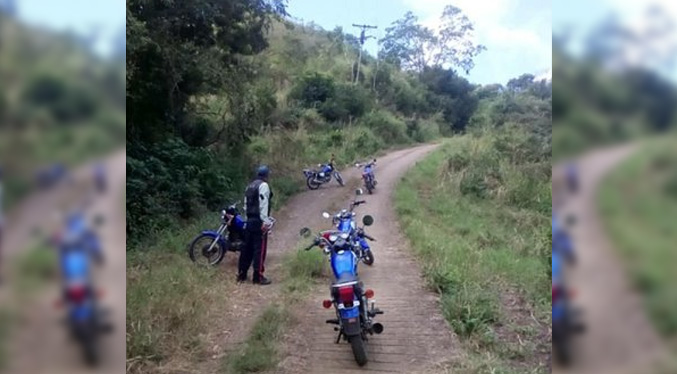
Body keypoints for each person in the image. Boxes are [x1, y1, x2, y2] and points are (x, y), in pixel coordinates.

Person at [238, 165, 274, 285]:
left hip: (249, 220)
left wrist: (246, 219)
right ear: (266, 175)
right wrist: (265, 221)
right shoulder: (263, 186)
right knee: (259, 250)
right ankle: (258, 277)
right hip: (259, 221)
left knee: (246, 249)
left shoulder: (250, 186)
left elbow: (245, 205)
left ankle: (242, 274)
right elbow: (263, 204)